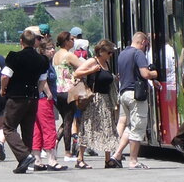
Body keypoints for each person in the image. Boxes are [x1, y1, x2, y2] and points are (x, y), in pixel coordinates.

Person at [0, 28, 51, 174]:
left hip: (16, 96)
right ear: (35, 42)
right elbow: (42, 81)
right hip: (33, 96)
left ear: (21, 41)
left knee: (9, 128)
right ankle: (24, 162)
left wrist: (3, 89)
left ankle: (24, 156)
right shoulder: (42, 60)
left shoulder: (14, 57)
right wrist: (37, 92)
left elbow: (5, 76)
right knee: (28, 130)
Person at [112, 31, 158, 169]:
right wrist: (154, 73)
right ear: (143, 42)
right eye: (147, 45)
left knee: (130, 126)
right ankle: (133, 161)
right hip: (135, 95)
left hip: (124, 93)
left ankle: (117, 154)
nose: (146, 47)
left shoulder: (123, 54)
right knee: (138, 127)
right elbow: (145, 73)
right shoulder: (138, 54)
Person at [71, 39, 119, 168]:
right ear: (101, 51)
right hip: (94, 99)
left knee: (108, 128)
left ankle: (108, 159)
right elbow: (77, 73)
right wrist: (91, 70)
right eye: (109, 52)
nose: (111, 55)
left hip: (106, 99)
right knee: (88, 127)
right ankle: (80, 158)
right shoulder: (93, 61)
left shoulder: (106, 63)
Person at [31, 33, 68, 170]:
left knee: (38, 130)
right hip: (44, 100)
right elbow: (43, 79)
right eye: (49, 48)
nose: (52, 50)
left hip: (35, 100)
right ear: (42, 50)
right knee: (49, 128)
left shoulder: (41, 61)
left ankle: (37, 160)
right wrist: (48, 93)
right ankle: (52, 160)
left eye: (53, 48)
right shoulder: (44, 62)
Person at [53, 30, 84, 157]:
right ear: (66, 42)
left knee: (65, 119)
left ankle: (53, 143)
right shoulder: (69, 55)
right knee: (68, 121)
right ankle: (67, 152)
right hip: (68, 90)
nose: (73, 41)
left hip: (57, 90)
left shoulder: (56, 55)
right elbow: (82, 66)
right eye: (71, 39)